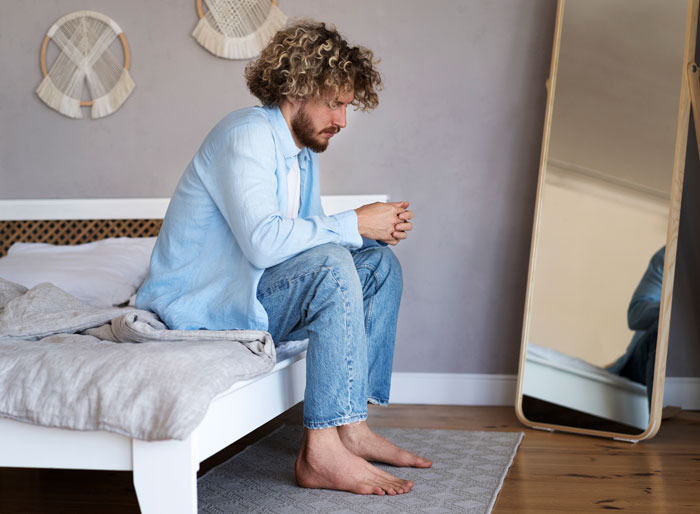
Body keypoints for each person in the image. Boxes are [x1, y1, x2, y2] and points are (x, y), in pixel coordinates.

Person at [136, 20, 431, 495]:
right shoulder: (246, 134)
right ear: (298, 88)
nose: (343, 120)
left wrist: (366, 233)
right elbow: (262, 242)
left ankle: (352, 429)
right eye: (335, 103)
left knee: (377, 265)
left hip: (254, 294)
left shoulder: (303, 155)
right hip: (200, 306)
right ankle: (320, 452)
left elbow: (307, 242)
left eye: (347, 106)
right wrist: (355, 221)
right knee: (336, 262)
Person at [607, 246, 664, 405]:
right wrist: (675, 308)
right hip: (641, 364)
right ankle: (659, 426)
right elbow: (636, 314)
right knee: (665, 326)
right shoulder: (671, 254)